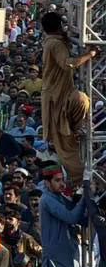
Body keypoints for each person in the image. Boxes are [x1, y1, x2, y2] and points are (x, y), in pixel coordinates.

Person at [40, 11, 96, 184]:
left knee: (81, 100)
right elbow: (68, 63)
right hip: (56, 99)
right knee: (66, 147)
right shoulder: (55, 44)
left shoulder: (53, 42)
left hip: (62, 96)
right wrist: (90, 55)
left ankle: (77, 127)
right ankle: (81, 180)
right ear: (58, 26)